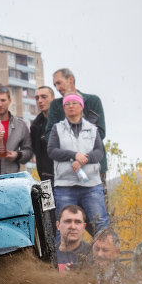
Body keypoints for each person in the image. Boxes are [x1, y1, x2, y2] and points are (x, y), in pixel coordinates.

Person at [47, 94, 108, 236]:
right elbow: (52, 151)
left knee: (100, 224)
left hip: (91, 185)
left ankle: (106, 257)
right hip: (65, 185)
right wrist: (74, 155)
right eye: (67, 104)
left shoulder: (93, 129)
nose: (71, 106)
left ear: (82, 107)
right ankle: (64, 258)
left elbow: (99, 152)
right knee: (64, 226)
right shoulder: (57, 129)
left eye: (75, 103)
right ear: (63, 108)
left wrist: (83, 159)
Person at [46, 68, 107, 182]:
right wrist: (73, 154)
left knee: (99, 199)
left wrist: (82, 158)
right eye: (55, 85)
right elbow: (49, 136)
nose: (57, 88)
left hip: (94, 168)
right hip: (66, 169)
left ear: (71, 79)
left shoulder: (93, 101)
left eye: (59, 83)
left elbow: (101, 133)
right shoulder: (55, 105)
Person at [29, 85, 55, 184]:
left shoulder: (64, 120)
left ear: (53, 98)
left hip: (66, 178)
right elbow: (36, 151)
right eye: (37, 98)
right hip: (45, 178)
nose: (39, 101)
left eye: (44, 97)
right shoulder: (35, 125)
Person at [54, 205, 91, 271]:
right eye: (68, 221)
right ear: (58, 225)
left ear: (84, 227)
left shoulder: (93, 254)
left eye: (78, 222)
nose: (73, 227)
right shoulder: (49, 254)